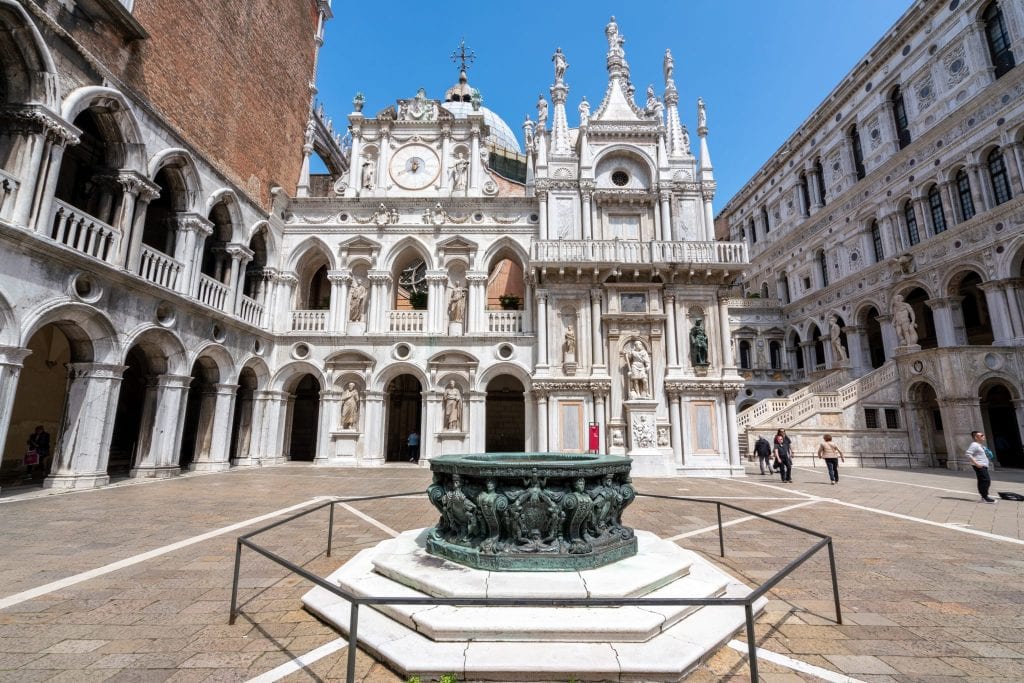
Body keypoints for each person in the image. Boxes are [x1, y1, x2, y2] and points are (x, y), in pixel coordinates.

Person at [966, 430, 995, 503]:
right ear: (976, 437)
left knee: (982, 480)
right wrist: (976, 464)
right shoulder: (974, 444)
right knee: (986, 480)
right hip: (979, 465)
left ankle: (983, 497)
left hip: (983, 465)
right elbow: (968, 454)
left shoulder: (980, 445)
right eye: (981, 435)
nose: (983, 436)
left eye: (983, 435)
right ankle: (985, 497)